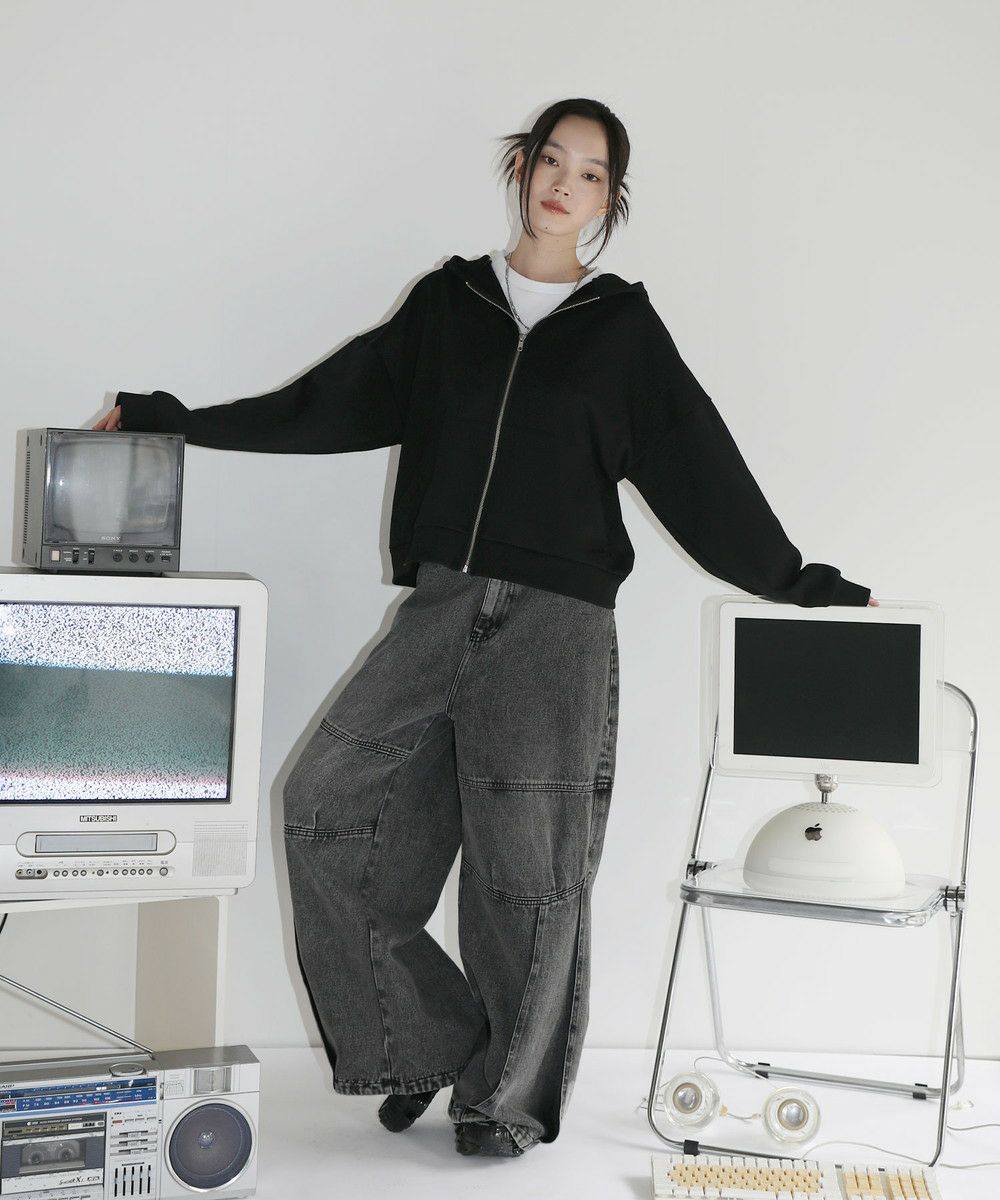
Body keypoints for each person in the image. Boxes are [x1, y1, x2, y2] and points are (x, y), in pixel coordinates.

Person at [92, 97, 877, 1159]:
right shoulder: (448, 304)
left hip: (556, 627)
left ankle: (502, 1103)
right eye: (551, 159)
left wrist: (794, 579)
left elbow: (699, 467)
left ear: (610, 199)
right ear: (521, 167)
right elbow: (323, 404)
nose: (564, 184)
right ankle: (435, 1042)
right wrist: (173, 420)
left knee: (528, 878)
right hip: (446, 602)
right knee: (323, 808)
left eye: (590, 173)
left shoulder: (622, 332)